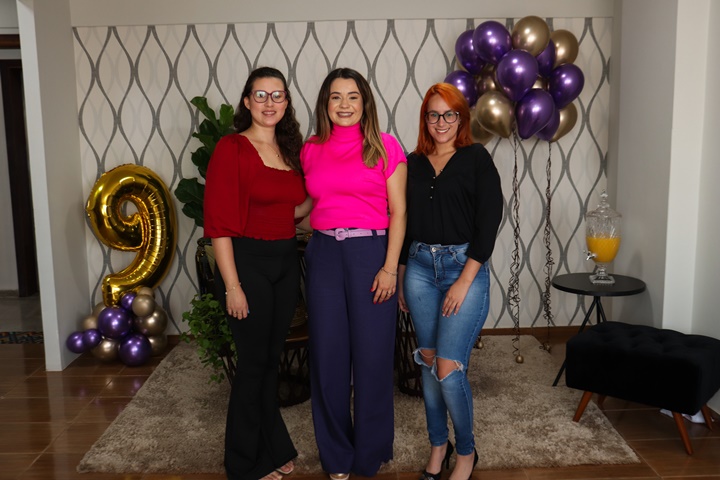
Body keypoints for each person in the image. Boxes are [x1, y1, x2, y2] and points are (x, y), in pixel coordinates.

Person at [300, 67, 407, 479]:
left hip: (371, 252)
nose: (344, 105)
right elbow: (308, 206)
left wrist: (388, 268)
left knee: (373, 357)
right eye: (335, 97)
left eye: (352, 97)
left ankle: (370, 452)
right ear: (325, 105)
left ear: (365, 103)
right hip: (325, 252)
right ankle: (336, 457)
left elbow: (399, 212)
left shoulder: (384, 147)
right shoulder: (311, 148)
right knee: (327, 358)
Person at [204, 66, 310, 480]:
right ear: (246, 101)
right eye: (260, 95)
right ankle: (243, 463)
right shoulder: (232, 148)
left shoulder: (289, 151)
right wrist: (232, 286)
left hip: (285, 262)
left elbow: (294, 211)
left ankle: (272, 446)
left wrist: (336, 199)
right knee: (252, 365)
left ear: (286, 102)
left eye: (277, 95)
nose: (269, 103)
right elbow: (218, 224)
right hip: (247, 263)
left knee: (270, 362)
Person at [398, 83, 503, 480]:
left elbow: (488, 223)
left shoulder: (477, 158)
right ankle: (438, 445)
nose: (441, 122)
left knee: (448, 367)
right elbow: (404, 220)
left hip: (465, 268)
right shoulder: (413, 162)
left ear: (461, 118)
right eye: (433, 115)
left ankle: (467, 452)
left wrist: (464, 281)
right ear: (424, 119)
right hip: (420, 270)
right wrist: (405, 272)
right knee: (427, 363)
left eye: (449, 114)